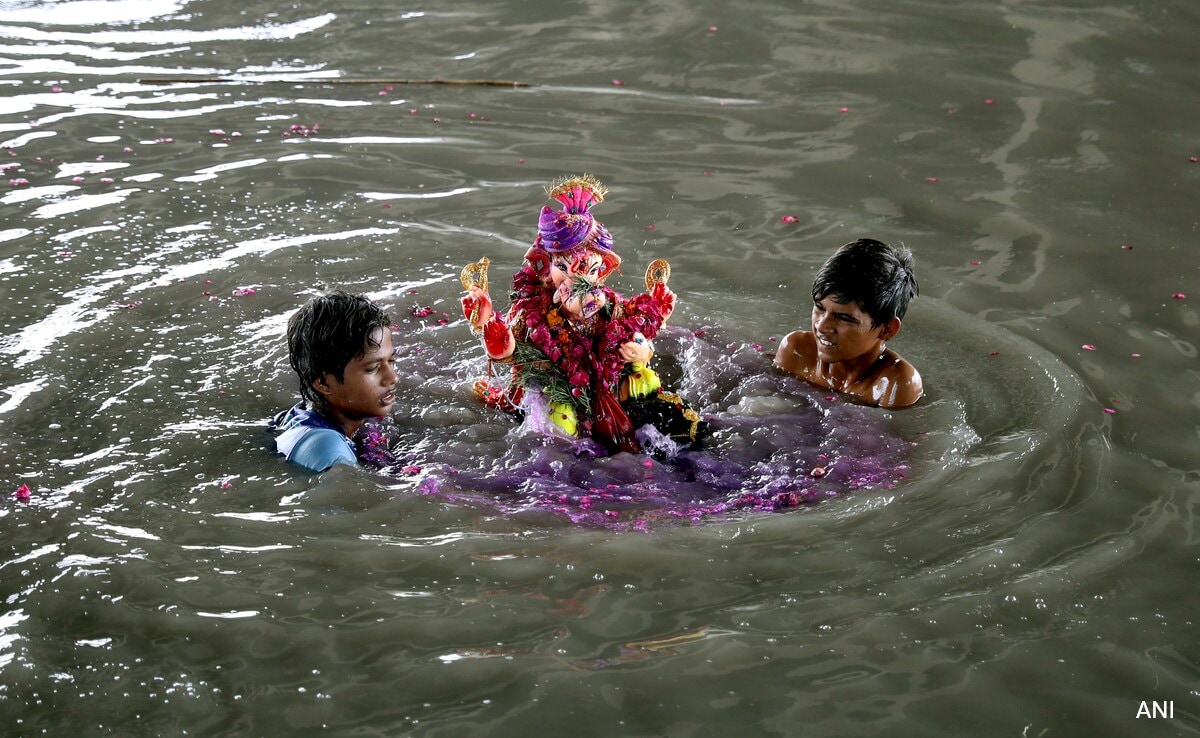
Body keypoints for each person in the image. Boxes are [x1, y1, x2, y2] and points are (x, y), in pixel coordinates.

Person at [460, 174, 707, 453]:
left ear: (602, 269)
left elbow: (638, 339)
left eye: (589, 271)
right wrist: (487, 325)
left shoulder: (611, 306)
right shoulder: (532, 310)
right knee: (560, 425)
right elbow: (508, 352)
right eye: (564, 268)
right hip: (555, 391)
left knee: (648, 385)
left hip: (608, 391)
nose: (578, 281)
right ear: (544, 264)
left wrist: (641, 352)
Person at [775, 238, 923, 409]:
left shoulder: (894, 383)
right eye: (820, 308)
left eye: (844, 318)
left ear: (887, 329)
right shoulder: (797, 351)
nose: (822, 326)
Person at [271, 291, 398, 472]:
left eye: (391, 361)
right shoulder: (326, 448)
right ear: (323, 383)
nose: (393, 377)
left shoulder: (311, 412)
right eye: (372, 368)